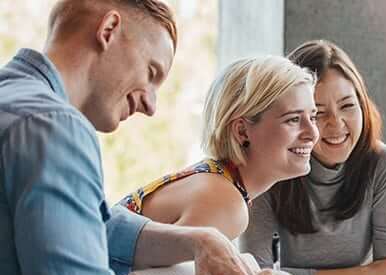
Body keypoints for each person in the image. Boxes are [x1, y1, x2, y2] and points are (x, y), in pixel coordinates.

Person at [0, 1, 295, 275]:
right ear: (108, 30)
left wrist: (196, 240)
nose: (151, 105)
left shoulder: (14, 103)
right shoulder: (55, 128)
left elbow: (71, 228)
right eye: (151, 73)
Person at [241, 40, 386, 275]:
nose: (336, 124)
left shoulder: (385, 165)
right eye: (318, 113)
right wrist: (364, 274)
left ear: (363, 105)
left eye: (347, 106)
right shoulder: (268, 168)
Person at [118, 55, 319, 243]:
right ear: (242, 131)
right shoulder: (225, 203)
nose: (313, 133)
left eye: (313, 117)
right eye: (293, 119)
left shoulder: (218, 180)